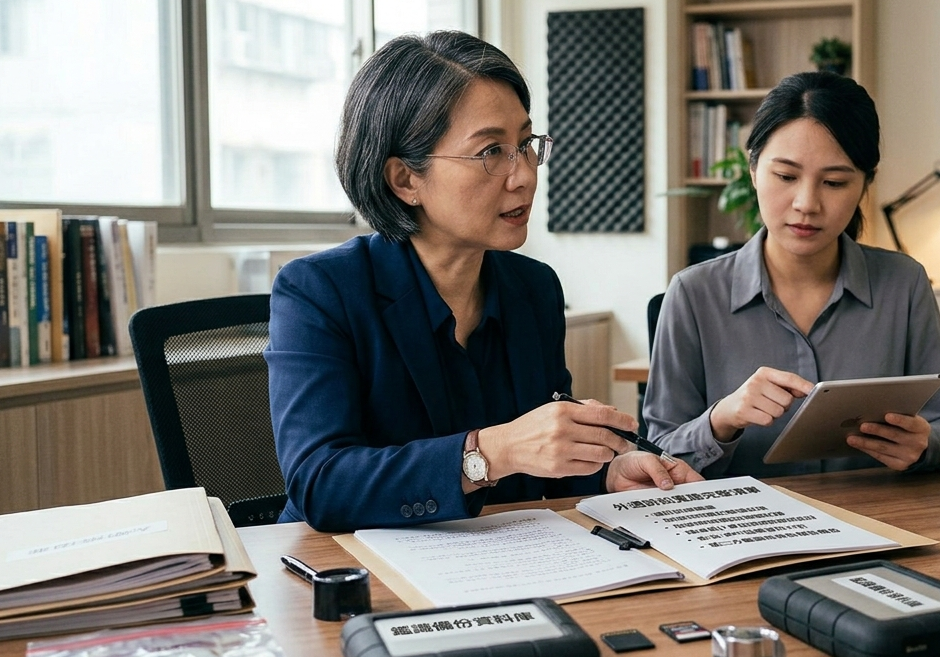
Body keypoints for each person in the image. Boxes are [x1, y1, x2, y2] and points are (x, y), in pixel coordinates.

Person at [266, 31, 701, 533]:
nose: (524, 176)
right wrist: (489, 452)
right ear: (406, 179)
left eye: (525, 144)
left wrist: (607, 474)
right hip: (352, 570)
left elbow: (544, 467)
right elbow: (321, 483)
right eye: (492, 151)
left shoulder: (533, 289)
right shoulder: (320, 291)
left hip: (496, 563)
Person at [644, 71, 940, 479]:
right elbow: (657, 457)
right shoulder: (693, 293)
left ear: (865, 184)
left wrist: (925, 444)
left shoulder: (903, 284)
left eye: (834, 182)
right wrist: (722, 418)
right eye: (785, 176)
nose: (806, 203)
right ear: (753, 170)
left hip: (879, 526)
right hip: (743, 531)